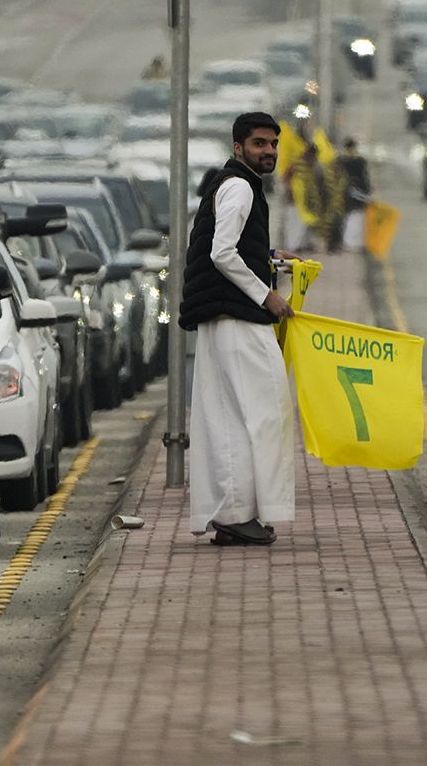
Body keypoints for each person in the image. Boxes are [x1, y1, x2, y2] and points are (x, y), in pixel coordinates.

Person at [178, 112, 300, 546]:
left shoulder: (234, 185)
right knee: (266, 413)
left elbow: (234, 245)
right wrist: (266, 294)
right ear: (238, 148)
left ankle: (235, 515)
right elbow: (222, 253)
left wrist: (267, 256)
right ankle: (241, 514)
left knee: (228, 418)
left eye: (272, 145)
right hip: (237, 318)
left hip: (222, 318)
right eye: (259, 144)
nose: (267, 151)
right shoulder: (240, 187)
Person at [338, 138, 373, 252]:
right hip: (358, 194)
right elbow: (364, 178)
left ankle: (348, 242)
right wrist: (367, 191)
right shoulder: (360, 161)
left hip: (344, 193)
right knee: (357, 218)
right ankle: (355, 243)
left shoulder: (340, 160)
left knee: (348, 218)